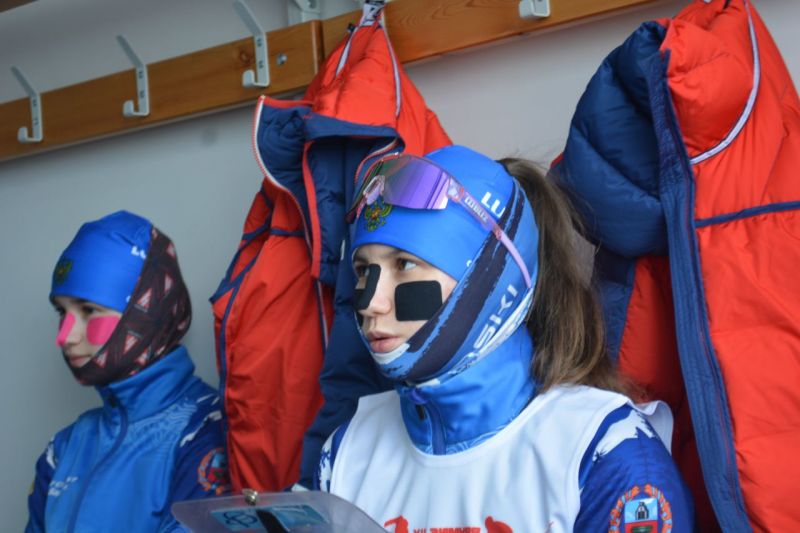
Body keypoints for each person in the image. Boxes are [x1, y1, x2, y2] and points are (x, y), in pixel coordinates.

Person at [315, 146, 694, 531]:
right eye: (364, 271)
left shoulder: (605, 452)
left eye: (405, 264)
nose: (370, 303)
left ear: (491, 278)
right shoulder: (347, 452)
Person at [26, 211, 229, 532]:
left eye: (89, 310)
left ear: (146, 311)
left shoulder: (207, 431)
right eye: (61, 312)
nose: (65, 336)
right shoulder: (64, 447)